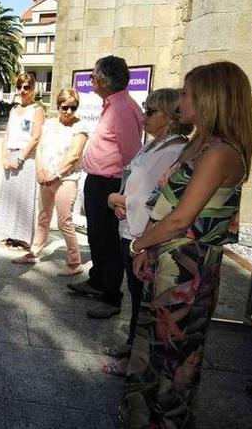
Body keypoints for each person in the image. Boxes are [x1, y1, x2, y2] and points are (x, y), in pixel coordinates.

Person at [120, 62, 252, 428]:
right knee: (153, 344)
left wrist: (139, 245)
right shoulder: (199, 142)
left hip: (186, 266)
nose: (180, 99)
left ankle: (163, 420)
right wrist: (147, 248)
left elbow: (181, 217)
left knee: (174, 352)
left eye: (186, 93)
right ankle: (141, 413)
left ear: (210, 99)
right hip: (166, 258)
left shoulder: (220, 152)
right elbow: (163, 202)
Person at [98, 88, 190, 376]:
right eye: (145, 109)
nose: (144, 116)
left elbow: (158, 197)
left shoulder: (174, 149)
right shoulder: (154, 145)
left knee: (143, 300)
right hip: (131, 228)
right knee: (137, 298)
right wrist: (121, 201)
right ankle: (132, 347)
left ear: (171, 118)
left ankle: (135, 362)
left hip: (144, 235)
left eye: (151, 111)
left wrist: (120, 200)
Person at [66, 56, 144, 319]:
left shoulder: (123, 109)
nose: (91, 82)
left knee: (109, 241)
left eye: (93, 77)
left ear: (102, 80)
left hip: (111, 183)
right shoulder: (113, 105)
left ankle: (112, 297)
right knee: (96, 237)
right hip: (98, 181)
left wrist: (123, 193)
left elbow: (132, 155)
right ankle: (97, 281)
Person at [13, 88, 89, 275]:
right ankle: (34, 252)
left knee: (64, 221)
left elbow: (74, 156)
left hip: (66, 179)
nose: (69, 112)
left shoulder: (81, 128)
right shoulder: (48, 124)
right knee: (43, 217)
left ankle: (74, 262)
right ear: (58, 106)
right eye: (65, 107)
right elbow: (39, 149)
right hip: (46, 177)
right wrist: (40, 171)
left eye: (73, 107)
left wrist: (54, 174)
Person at [0, 73, 45, 251]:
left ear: (33, 89)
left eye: (27, 87)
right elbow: (7, 134)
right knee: (10, 196)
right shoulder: (13, 110)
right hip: (10, 154)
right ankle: (11, 234)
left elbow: (35, 137)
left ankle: (24, 238)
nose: (23, 91)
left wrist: (19, 159)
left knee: (24, 198)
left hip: (26, 158)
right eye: (20, 87)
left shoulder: (37, 110)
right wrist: (3, 156)